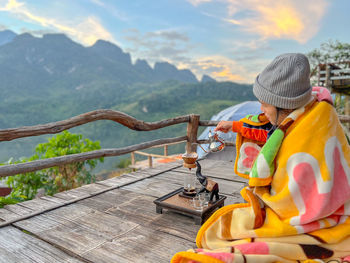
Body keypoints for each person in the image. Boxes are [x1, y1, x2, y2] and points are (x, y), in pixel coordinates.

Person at [172, 53, 350, 263]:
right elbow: (266, 131)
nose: (261, 109)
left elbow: (293, 203)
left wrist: (264, 199)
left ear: (283, 104)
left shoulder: (305, 137)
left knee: (222, 232)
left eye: (265, 104)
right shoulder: (302, 114)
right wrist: (236, 126)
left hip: (317, 213)